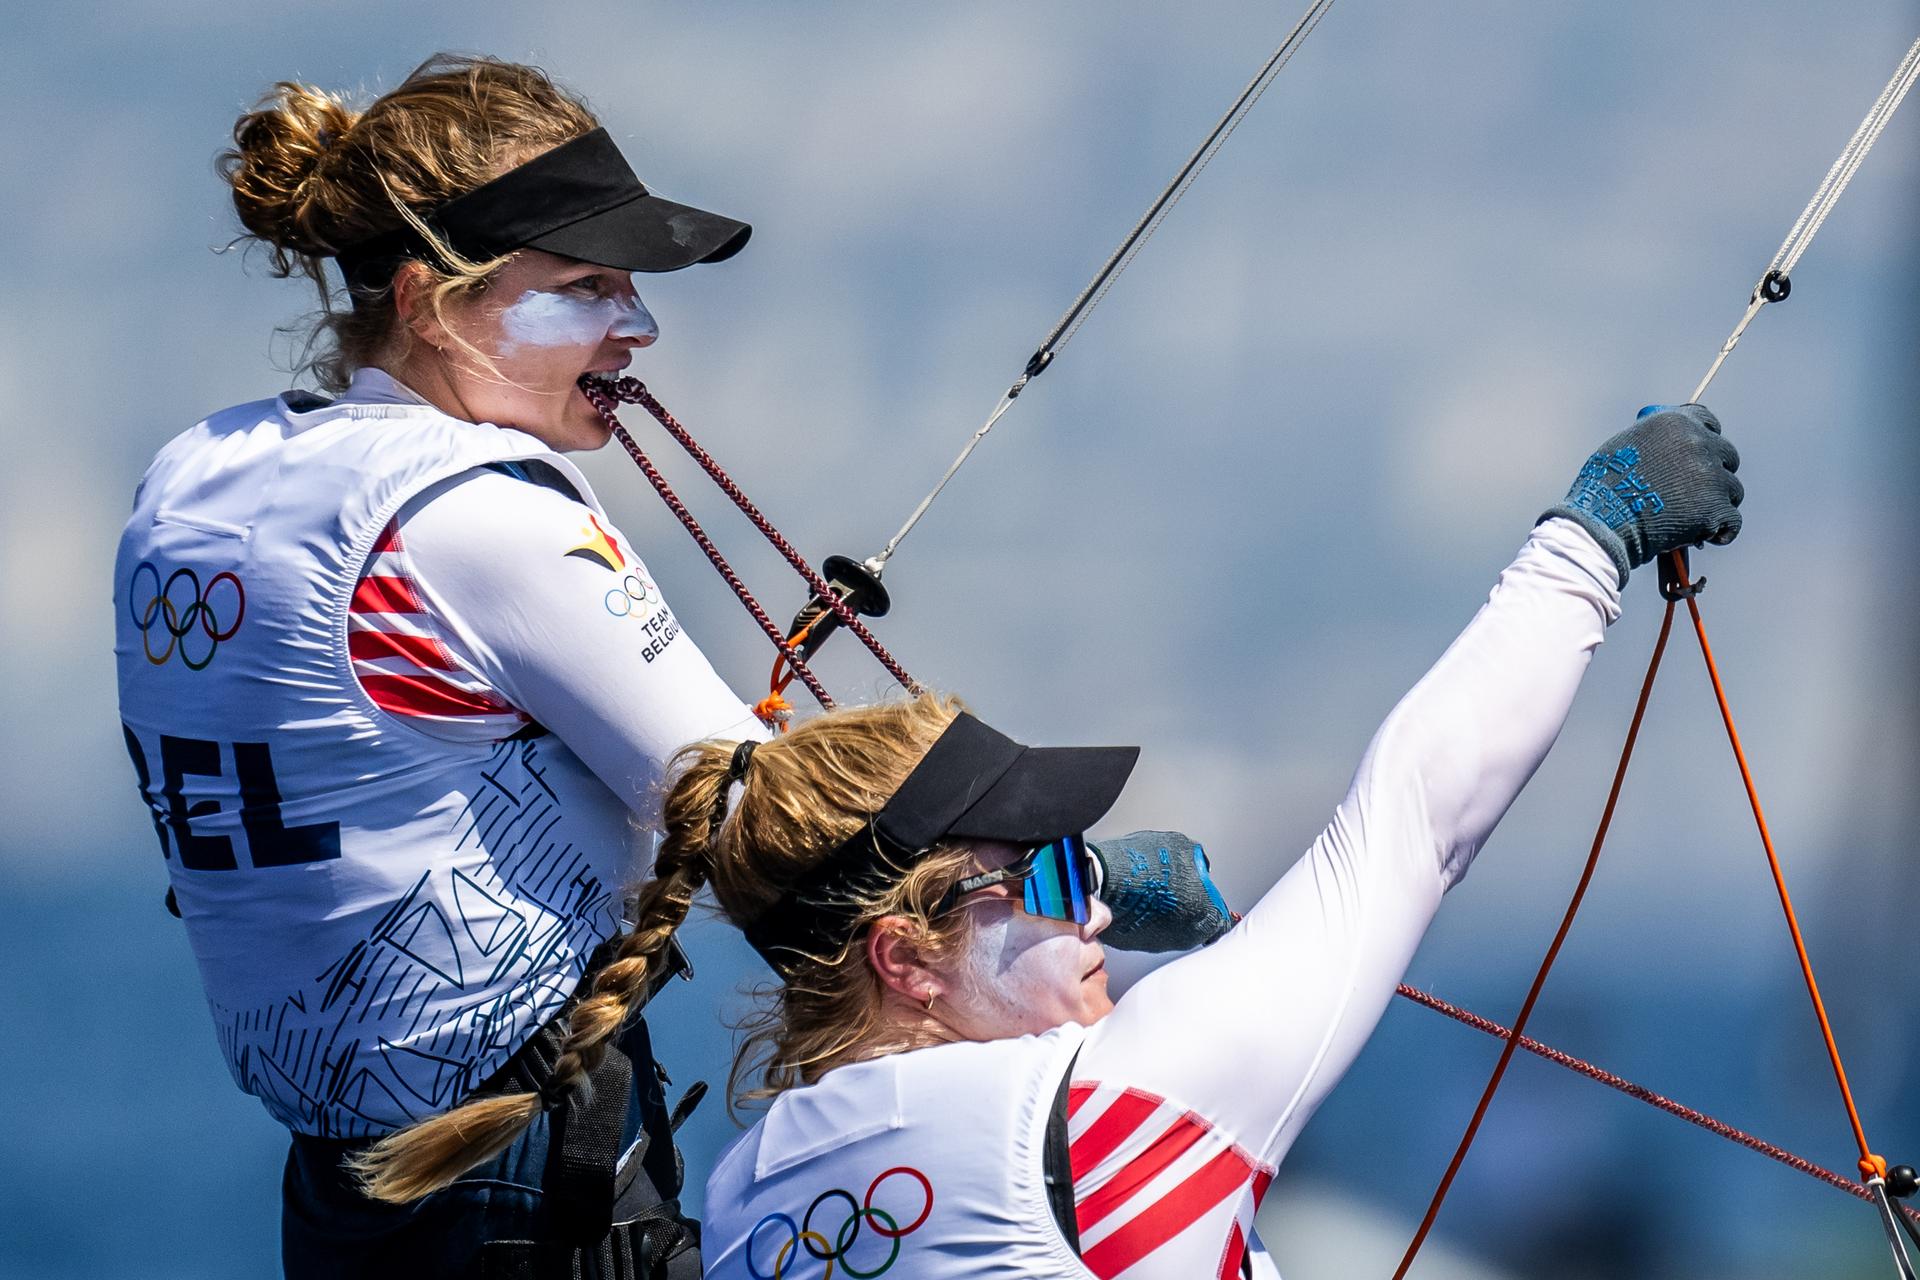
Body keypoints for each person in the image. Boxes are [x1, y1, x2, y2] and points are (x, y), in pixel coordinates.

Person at [592, 405, 1742, 1277]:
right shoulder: (1118, 1099)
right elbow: (1417, 817)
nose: (1095, 908)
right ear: (906, 958)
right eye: (1047, 869)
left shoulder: (750, 1194)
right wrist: (1591, 541)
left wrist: (1050, 888)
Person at [113, 54, 772, 1278]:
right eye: (585, 286)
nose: (639, 323)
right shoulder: (479, 513)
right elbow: (767, 818)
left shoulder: (197, 475)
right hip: (520, 1175)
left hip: (341, 1181)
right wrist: (1074, 872)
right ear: (426, 299)